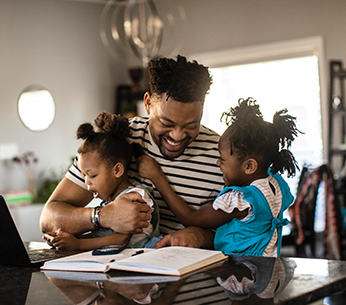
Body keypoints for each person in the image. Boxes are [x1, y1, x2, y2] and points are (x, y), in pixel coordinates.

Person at [40, 55, 224, 249]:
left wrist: (203, 236)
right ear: (147, 103)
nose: (177, 136)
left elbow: (250, 229)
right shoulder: (117, 138)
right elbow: (48, 219)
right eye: (166, 123)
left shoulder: (224, 156)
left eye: (191, 125)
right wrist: (104, 216)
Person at [138, 97, 301, 257]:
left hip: (242, 272)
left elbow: (191, 218)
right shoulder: (275, 183)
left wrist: (157, 177)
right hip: (267, 267)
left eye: (222, 159)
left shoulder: (240, 200)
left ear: (249, 166)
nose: (217, 163)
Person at [43, 111, 160, 251]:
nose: (86, 182)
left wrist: (78, 244)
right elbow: (99, 236)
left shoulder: (137, 197)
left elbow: (120, 239)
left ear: (117, 171)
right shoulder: (109, 205)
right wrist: (65, 239)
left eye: (92, 175)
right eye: (83, 175)